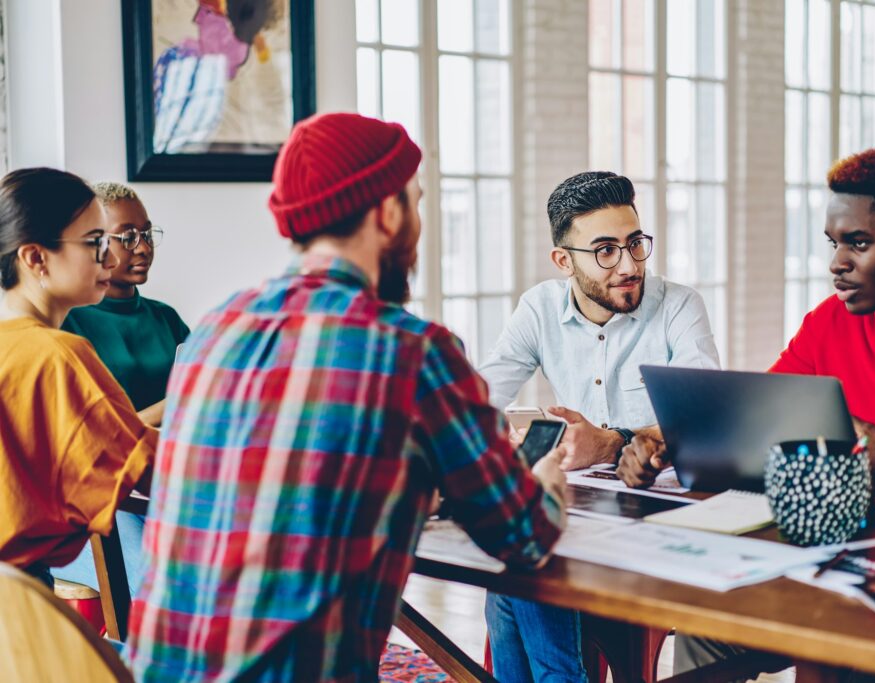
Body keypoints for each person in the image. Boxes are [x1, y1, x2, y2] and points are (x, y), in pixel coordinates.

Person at [126, 112, 568, 683]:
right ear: (387, 213)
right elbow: (522, 535)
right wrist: (549, 483)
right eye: (416, 201)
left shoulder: (214, 331)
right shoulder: (414, 351)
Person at [618, 144, 875, 496]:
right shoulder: (830, 320)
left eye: (859, 242)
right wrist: (665, 439)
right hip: (863, 541)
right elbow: (754, 413)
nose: (836, 264)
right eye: (834, 243)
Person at [478, 171, 721, 682]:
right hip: (582, 515)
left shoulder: (678, 306)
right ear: (564, 261)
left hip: (662, 519)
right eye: (606, 250)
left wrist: (610, 443)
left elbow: (707, 424)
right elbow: (477, 403)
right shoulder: (539, 309)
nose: (630, 265)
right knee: (514, 572)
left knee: (521, 572)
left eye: (635, 244)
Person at [0, 167, 157, 590]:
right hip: (22, 596)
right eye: (94, 243)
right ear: (35, 258)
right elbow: (148, 466)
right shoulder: (59, 355)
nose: (109, 258)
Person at [53, 181, 189, 597]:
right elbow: (89, 440)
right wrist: (175, 404)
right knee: (161, 582)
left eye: (147, 234)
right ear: (93, 243)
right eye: (126, 237)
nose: (143, 247)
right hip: (99, 503)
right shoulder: (69, 325)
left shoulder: (166, 319)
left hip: (168, 483)